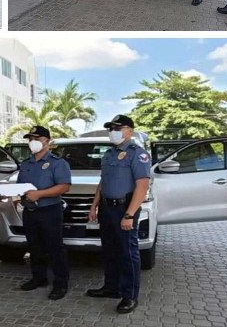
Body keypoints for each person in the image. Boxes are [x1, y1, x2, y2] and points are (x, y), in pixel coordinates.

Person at [86, 115, 151, 314]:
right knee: (110, 251)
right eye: (111, 128)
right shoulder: (109, 154)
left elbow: (142, 186)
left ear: (130, 131)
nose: (113, 131)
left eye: (117, 127)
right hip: (106, 208)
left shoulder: (138, 154)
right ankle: (111, 287)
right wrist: (94, 206)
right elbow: (102, 182)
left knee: (127, 254)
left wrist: (130, 215)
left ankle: (129, 295)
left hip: (125, 209)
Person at [17, 126, 71, 301]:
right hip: (30, 211)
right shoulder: (26, 163)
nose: (33, 142)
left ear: (48, 141)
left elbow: (64, 186)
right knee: (34, 247)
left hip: (49, 211)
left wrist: (39, 194)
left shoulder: (57, 163)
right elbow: (20, 187)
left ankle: (61, 283)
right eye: (30, 138)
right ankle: (39, 278)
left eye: (37, 138)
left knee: (55, 248)